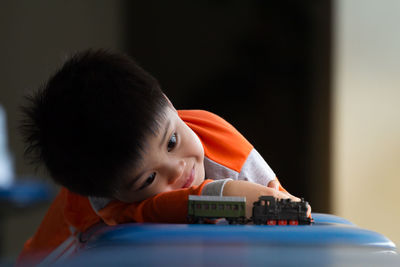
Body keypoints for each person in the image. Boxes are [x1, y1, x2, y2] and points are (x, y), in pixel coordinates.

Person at [17, 49, 308, 265]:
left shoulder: (227, 152)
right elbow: (190, 205)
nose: (178, 169)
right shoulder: (106, 200)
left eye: (171, 142)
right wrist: (228, 197)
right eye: (150, 178)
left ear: (168, 102)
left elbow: (286, 212)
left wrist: (280, 208)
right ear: (114, 194)